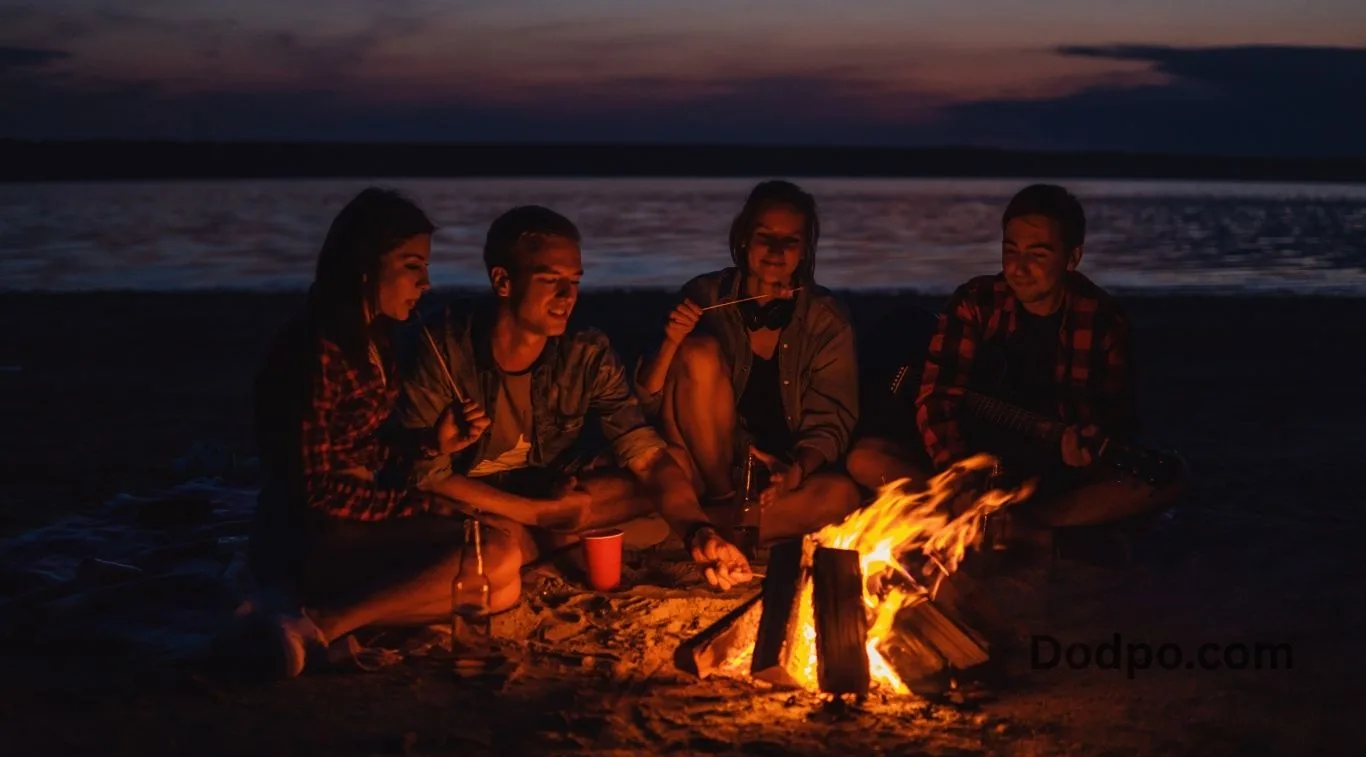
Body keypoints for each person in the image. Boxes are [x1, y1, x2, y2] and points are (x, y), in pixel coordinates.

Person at [396, 205, 752, 591]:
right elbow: (427, 476)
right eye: (550, 280)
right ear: (503, 281)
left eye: (575, 281)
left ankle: (541, 536)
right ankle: (541, 536)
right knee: (448, 514)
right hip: (473, 499)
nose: (568, 296)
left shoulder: (585, 353)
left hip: (541, 497)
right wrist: (539, 513)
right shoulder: (443, 348)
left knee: (674, 465)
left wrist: (698, 533)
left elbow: (647, 457)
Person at [247, 187, 510, 679]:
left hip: (352, 516)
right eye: (413, 266)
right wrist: (416, 505)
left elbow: (357, 445)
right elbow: (314, 488)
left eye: (426, 268)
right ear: (365, 266)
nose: (426, 283)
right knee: (492, 558)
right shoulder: (317, 350)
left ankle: (323, 620)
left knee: (499, 577)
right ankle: (320, 622)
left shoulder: (371, 337)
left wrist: (433, 443)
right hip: (308, 532)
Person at [846, 183, 1187, 555]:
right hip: (973, 462)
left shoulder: (1102, 320)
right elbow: (937, 396)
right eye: (1011, 250)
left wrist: (1085, 443)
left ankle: (1011, 525)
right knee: (866, 459)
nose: (1018, 268)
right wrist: (959, 474)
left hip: (1045, 471)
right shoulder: (977, 302)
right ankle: (1011, 526)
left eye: (1037, 255)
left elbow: (1112, 414)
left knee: (1169, 478)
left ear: (1072, 258)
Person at [633, 180, 862, 544]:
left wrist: (796, 472)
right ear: (743, 238)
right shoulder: (704, 296)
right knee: (697, 353)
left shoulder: (826, 320)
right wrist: (671, 342)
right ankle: (727, 509)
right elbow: (645, 403)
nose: (775, 250)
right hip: (704, 471)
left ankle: (695, 525)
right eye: (764, 236)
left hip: (776, 479)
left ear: (804, 249)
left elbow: (831, 424)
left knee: (842, 498)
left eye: (790, 241)